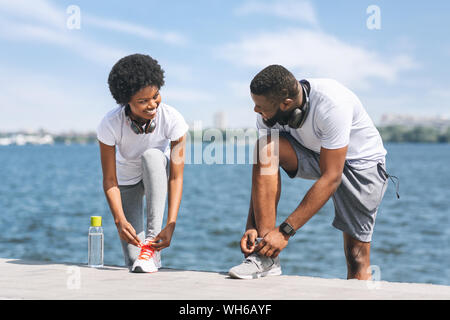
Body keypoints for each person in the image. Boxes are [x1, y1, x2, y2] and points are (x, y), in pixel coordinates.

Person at [229, 65, 396, 280]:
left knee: (357, 258)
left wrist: (284, 232)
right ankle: (266, 258)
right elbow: (262, 174)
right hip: (315, 153)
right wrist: (251, 226)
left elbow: (332, 177)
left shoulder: (332, 104)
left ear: (286, 103)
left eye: (259, 106)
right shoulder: (268, 113)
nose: (255, 111)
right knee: (266, 148)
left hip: (360, 166)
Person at [97, 53, 188, 273]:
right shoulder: (110, 123)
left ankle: (151, 245)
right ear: (125, 101)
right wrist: (119, 220)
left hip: (158, 172)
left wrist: (170, 223)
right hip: (127, 180)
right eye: (142, 101)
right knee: (133, 262)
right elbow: (110, 180)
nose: (152, 105)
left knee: (152, 155)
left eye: (156, 96)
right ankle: (145, 254)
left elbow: (176, 177)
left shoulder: (173, 120)